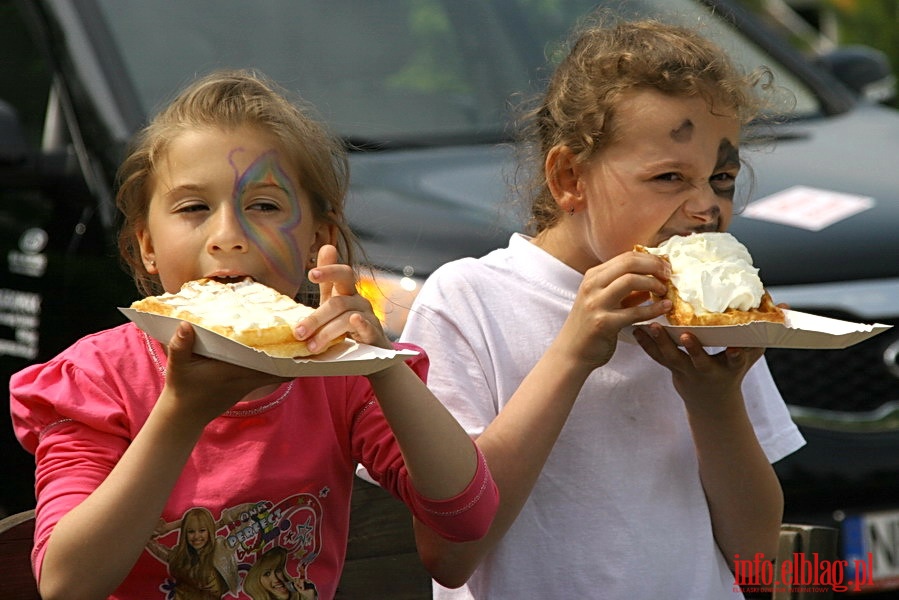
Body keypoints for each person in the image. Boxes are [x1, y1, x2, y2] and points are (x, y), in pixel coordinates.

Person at [9, 69, 498, 600]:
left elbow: (469, 517)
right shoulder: (97, 380)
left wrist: (379, 364)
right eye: (194, 207)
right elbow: (66, 584)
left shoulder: (341, 373)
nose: (228, 236)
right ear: (146, 244)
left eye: (264, 206)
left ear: (319, 240)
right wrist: (181, 413)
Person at [402, 17, 806, 599]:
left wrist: (715, 404)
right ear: (570, 178)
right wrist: (571, 353)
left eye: (721, 178)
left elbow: (753, 556)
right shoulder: (469, 302)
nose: (705, 208)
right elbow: (449, 551)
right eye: (669, 176)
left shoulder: (714, 319)